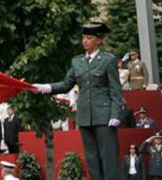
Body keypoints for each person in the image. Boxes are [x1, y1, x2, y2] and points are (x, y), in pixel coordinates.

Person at [32, 21, 125, 180]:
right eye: (83, 38)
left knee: (108, 159)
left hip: (104, 115)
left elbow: (115, 90)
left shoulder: (108, 60)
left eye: (89, 38)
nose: (85, 41)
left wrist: (115, 114)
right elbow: (67, 84)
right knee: (92, 160)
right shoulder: (77, 61)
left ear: (99, 40)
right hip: (85, 115)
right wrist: (46, 87)